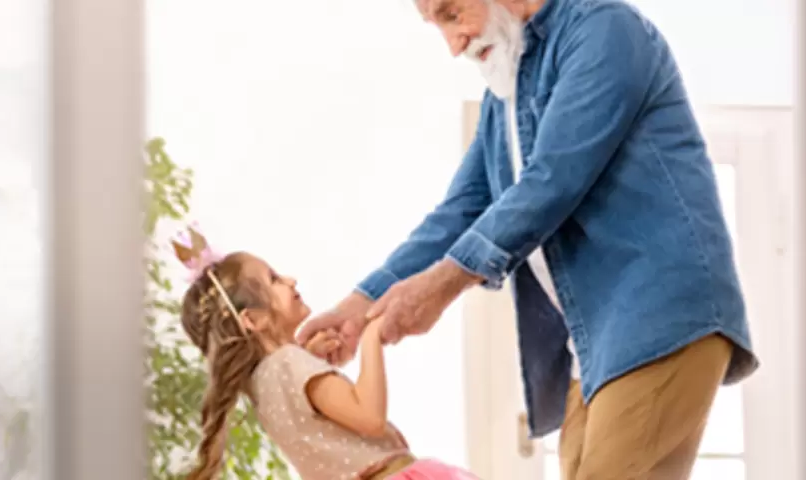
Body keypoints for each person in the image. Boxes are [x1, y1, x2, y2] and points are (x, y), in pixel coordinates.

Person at [296, 0, 759, 478]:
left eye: (452, 15)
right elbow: (461, 210)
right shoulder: (508, 91)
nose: (453, 46)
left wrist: (440, 287)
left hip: (657, 320)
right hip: (595, 343)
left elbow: (551, 183)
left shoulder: (606, 32)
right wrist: (360, 304)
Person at [172, 229, 476, 480]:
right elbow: (369, 418)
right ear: (254, 320)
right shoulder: (291, 363)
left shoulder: (261, 386)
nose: (290, 280)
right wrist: (372, 334)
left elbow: (306, 416)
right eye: (274, 279)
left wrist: (310, 356)